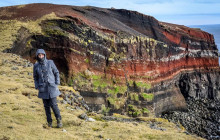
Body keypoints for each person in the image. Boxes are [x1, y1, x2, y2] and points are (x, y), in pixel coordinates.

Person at [33, 49, 62, 128]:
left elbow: (56, 72)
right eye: (39, 55)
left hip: (52, 87)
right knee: (46, 106)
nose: (41, 56)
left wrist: (57, 83)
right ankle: (49, 123)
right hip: (42, 89)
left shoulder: (50, 62)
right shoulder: (36, 66)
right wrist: (37, 86)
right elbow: (35, 77)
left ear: (44, 55)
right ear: (37, 56)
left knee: (54, 105)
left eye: (42, 55)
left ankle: (59, 120)